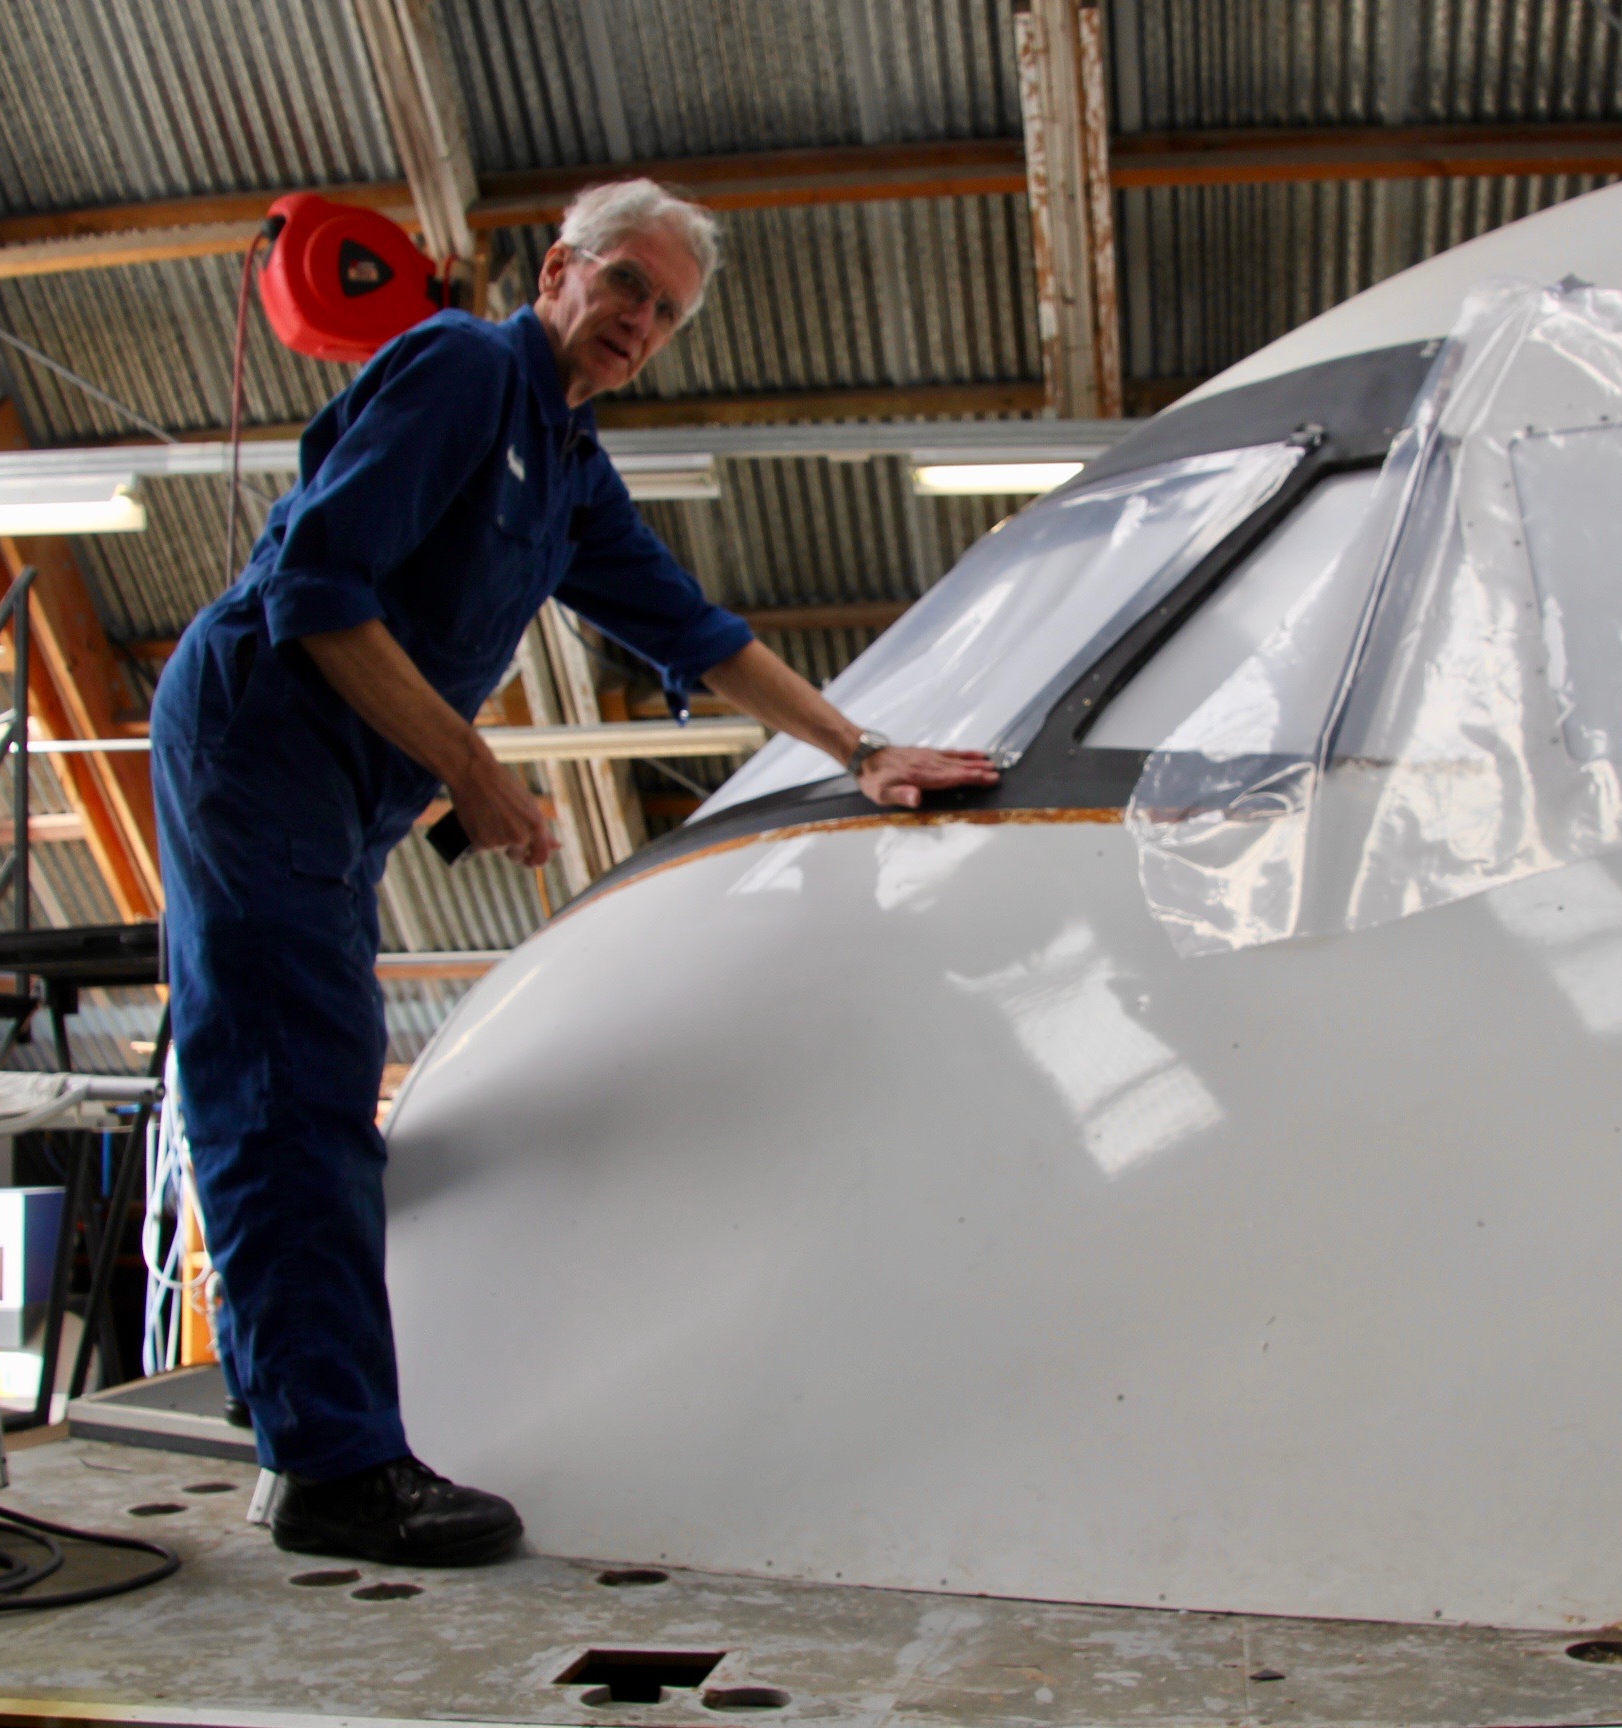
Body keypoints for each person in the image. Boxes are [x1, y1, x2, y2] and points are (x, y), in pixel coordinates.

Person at [149, 180, 997, 1567]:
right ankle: (335, 1468)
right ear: (559, 272)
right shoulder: (465, 370)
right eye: (624, 289)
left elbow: (692, 628)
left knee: (294, 1072)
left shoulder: (568, 462)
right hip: (265, 740)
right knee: (291, 1080)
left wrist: (864, 749)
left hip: (339, 782)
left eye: (664, 314)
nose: (639, 326)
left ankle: (289, 1402)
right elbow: (317, 592)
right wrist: (475, 774)